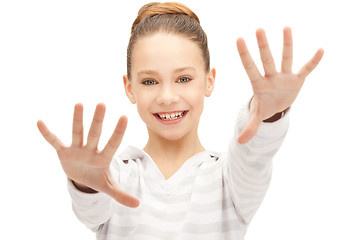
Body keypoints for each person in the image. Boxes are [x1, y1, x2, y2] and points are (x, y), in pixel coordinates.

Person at [37, 2, 323, 239]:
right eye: (149, 81)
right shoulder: (117, 176)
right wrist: (85, 185)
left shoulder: (230, 179)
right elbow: (92, 210)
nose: (167, 96)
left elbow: (254, 154)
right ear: (129, 88)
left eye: (183, 78)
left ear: (209, 81)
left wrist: (269, 113)